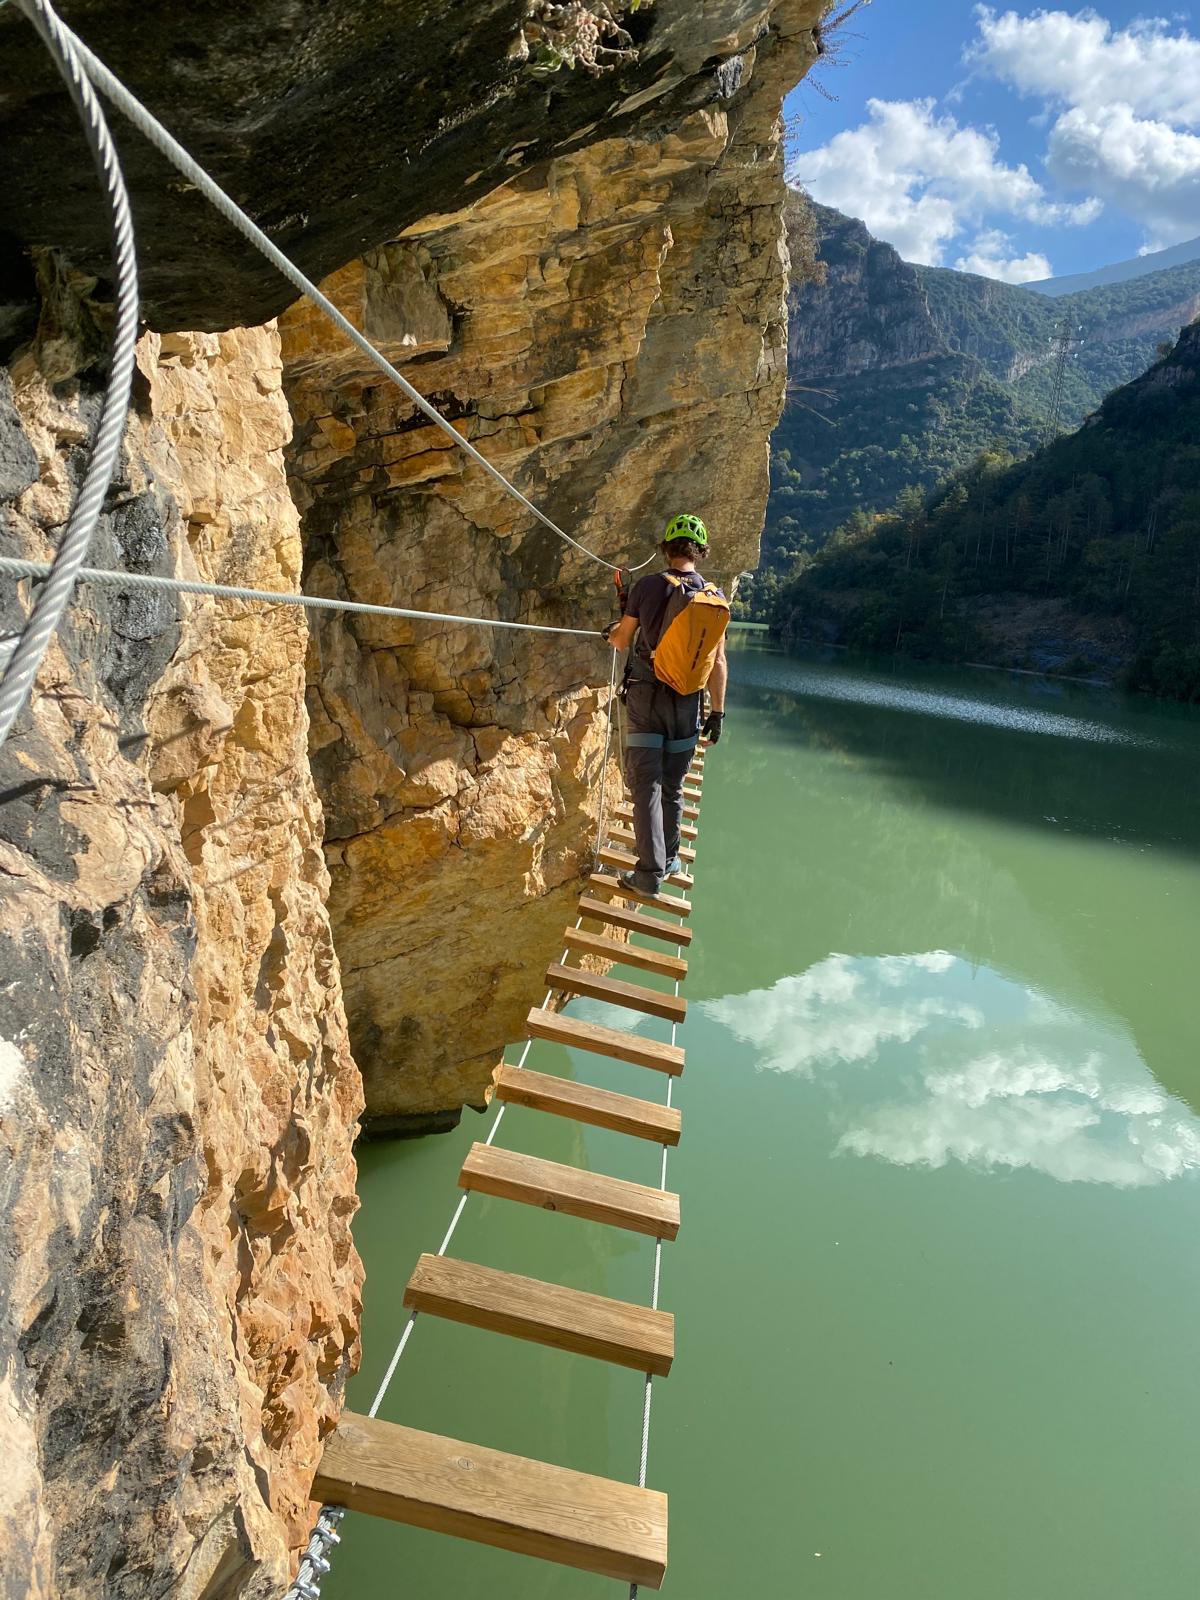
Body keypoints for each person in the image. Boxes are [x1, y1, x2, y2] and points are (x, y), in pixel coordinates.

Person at [603, 514, 727, 894]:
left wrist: (611, 631)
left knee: (646, 786)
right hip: (688, 705)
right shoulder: (713, 598)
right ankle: (670, 859)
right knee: (672, 788)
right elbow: (718, 662)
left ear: (666, 549)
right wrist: (718, 713)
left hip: (645, 698)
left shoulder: (646, 587)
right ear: (700, 552)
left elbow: (622, 640)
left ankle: (648, 874)